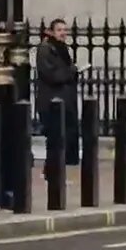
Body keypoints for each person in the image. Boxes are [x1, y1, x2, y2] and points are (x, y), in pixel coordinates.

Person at [35, 18, 87, 166]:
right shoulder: (46, 48)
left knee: (68, 133)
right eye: (59, 30)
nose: (63, 33)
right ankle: (55, 167)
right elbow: (51, 74)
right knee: (55, 136)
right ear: (51, 32)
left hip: (65, 98)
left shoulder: (61, 48)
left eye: (65, 30)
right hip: (52, 100)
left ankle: (68, 161)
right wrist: (72, 71)